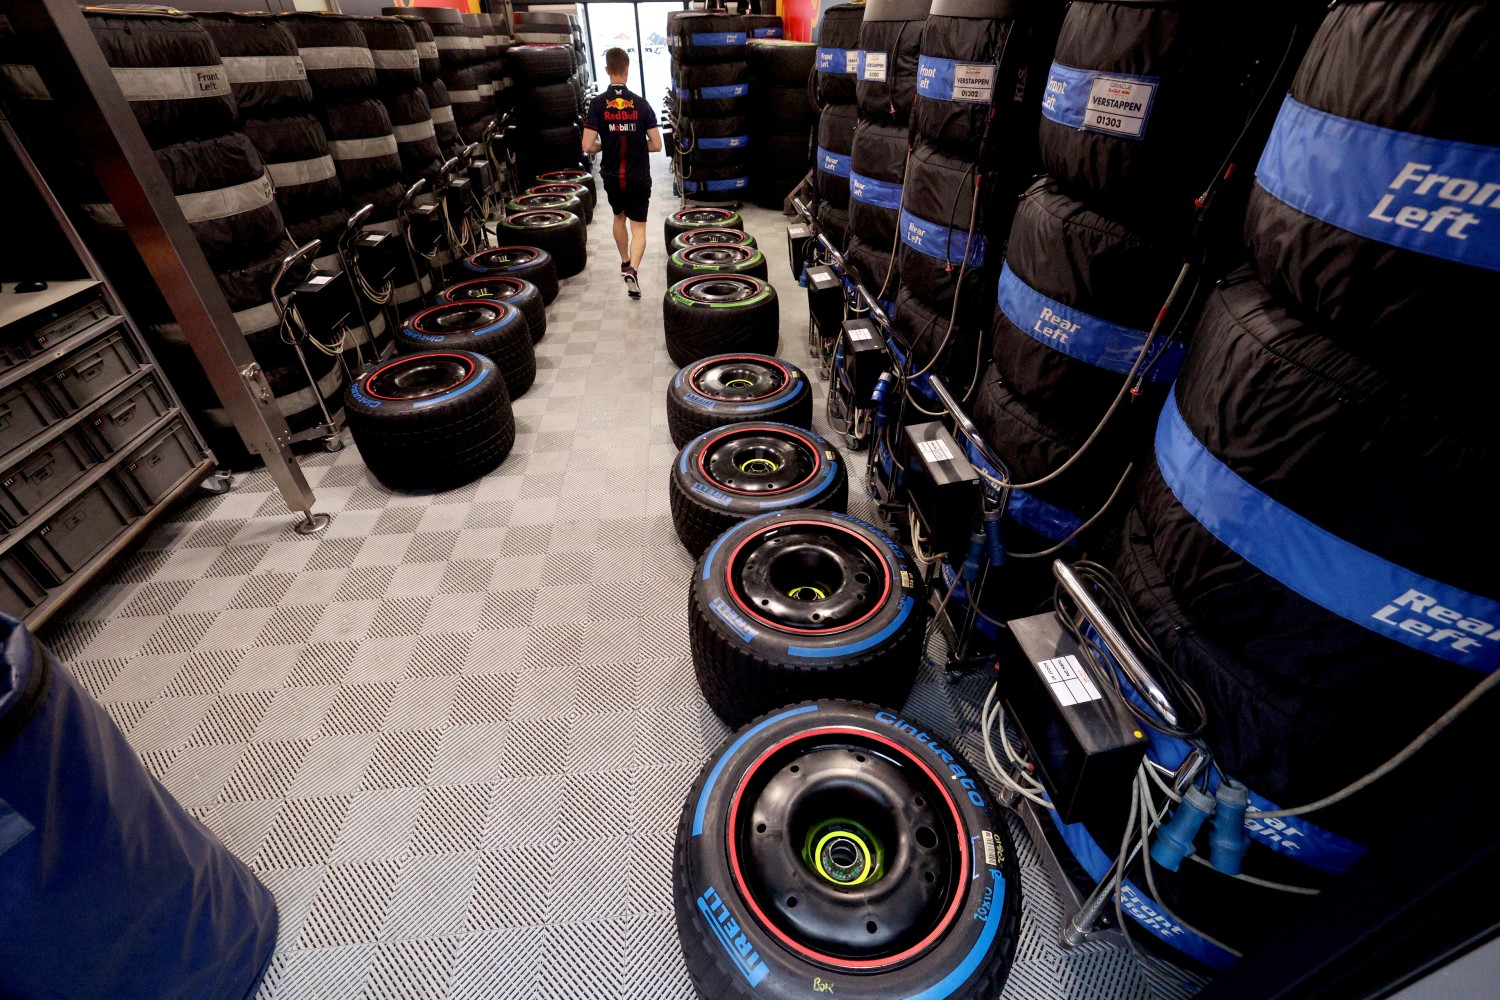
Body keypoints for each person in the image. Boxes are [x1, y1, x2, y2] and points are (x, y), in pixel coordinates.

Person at [582, 47, 662, 299]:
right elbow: (657, 145)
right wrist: (637, 143)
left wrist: (608, 142)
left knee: (619, 218)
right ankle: (633, 270)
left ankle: (624, 261)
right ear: (627, 69)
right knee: (639, 228)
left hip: (612, 175)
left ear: (607, 70)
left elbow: (587, 146)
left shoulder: (597, 104)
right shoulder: (641, 104)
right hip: (639, 175)